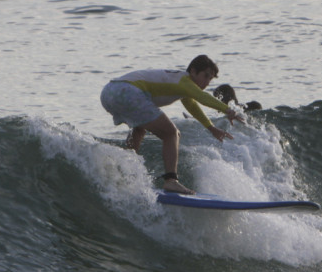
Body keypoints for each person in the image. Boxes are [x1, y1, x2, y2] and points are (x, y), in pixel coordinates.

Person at [100, 55, 241, 195]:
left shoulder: (180, 83)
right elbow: (202, 97)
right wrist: (227, 109)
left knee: (139, 129)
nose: (206, 83)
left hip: (109, 92)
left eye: (210, 79)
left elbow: (192, 105)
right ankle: (171, 180)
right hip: (127, 91)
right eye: (205, 76)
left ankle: (127, 172)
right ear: (193, 71)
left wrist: (211, 127)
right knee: (172, 133)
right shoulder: (185, 81)